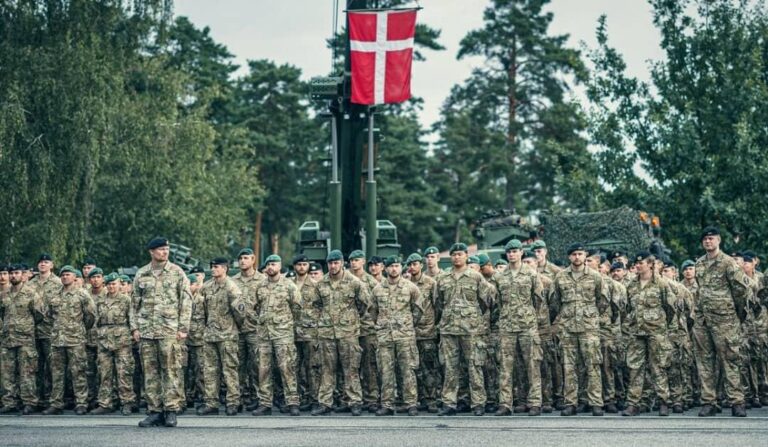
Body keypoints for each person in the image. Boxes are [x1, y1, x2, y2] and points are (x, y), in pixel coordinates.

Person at [132, 237, 192, 427]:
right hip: (147, 331)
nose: (164, 252)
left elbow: (186, 301)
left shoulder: (177, 273)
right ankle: (154, 411)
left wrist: (183, 328)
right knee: (150, 373)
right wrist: (134, 328)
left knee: (171, 370)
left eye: (166, 249)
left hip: (169, 330)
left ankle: (171, 410)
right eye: (160, 249)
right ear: (151, 252)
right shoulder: (142, 274)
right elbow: (133, 304)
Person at [693, 227, 750, 417]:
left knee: (730, 359)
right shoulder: (699, 263)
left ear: (719, 240)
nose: (708, 242)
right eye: (705, 239)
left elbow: (741, 290)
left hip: (725, 320)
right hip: (703, 319)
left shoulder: (728, 263)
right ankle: (709, 401)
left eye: (711, 239)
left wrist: (736, 313)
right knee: (705, 361)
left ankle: (737, 401)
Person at [550, 243, 608, 416]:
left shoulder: (595, 277)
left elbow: (602, 301)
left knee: (593, 365)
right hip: (568, 329)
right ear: (569, 257)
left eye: (580, 254)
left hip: (589, 329)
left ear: (585, 256)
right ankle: (571, 402)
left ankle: (596, 402)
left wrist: (590, 316)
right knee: (569, 367)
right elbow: (555, 302)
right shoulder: (560, 277)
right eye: (574, 254)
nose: (577, 257)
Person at [311, 250, 373, 416]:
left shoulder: (354, 282)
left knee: (351, 368)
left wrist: (350, 319)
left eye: (336, 262)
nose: (333, 266)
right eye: (330, 263)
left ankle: (354, 402)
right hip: (327, 334)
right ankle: (325, 403)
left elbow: (365, 303)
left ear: (342, 263)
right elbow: (316, 305)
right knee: (327, 369)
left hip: (348, 333)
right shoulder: (322, 283)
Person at [435, 243, 490, 416]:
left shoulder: (476, 277)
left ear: (466, 256)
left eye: (460, 254)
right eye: (454, 254)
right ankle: (449, 403)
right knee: (450, 368)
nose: (457, 257)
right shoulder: (443, 278)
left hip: (471, 330)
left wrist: (473, 317)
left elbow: (487, 301)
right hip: (449, 330)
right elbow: (437, 303)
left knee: (475, 366)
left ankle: (478, 403)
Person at [490, 240, 544, 416]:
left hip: (527, 326)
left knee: (531, 365)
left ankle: (534, 402)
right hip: (507, 326)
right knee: (505, 367)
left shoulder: (531, 274)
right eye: (509, 252)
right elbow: (497, 302)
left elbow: (538, 300)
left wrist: (531, 318)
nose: (512, 254)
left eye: (515, 251)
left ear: (521, 252)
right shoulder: (499, 276)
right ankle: (505, 403)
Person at [621, 251, 675, 416]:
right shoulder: (631, 285)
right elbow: (627, 308)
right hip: (636, 332)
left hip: (656, 332)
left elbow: (670, 308)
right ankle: (633, 403)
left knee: (658, 366)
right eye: (636, 263)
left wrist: (660, 325)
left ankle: (663, 401)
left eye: (641, 263)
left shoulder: (662, 284)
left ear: (650, 264)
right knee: (635, 368)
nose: (638, 266)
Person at [371, 256, 422, 416]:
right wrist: (383, 325)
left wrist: (406, 324)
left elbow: (418, 310)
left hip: (405, 336)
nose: (394, 269)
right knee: (386, 371)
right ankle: (387, 404)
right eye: (390, 266)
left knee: (408, 369)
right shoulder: (377, 289)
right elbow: (373, 311)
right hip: (385, 337)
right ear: (385, 269)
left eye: (397, 266)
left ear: (401, 267)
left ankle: (411, 403)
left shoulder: (411, 288)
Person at [250, 255, 301, 417]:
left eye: (274, 264)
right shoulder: (260, 286)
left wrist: (287, 324)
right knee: (263, 369)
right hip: (264, 335)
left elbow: (298, 308)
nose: (271, 267)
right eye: (268, 265)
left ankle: (292, 402)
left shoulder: (289, 286)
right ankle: (265, 403)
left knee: (287, 368)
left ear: (279, 266)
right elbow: (253, 307)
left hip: (283, 334)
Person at [42, 265, 96, 415]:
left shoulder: (82, 294)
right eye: (63, 275)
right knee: (57, 373)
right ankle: (56, 403)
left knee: (78, 371)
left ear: (74, 277)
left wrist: (78, 328)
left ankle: (81, 403)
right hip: (57, 339)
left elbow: (90, 316)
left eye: (68, 274)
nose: (65, 277)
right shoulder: (54, 295)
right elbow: (47, 315)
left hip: (75, 339)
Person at [196, 257, 244, 417]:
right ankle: (211, 403)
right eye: (212, 266)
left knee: (229, 369)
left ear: (225, 268)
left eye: (216, 267)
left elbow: (240, 313)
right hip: (210, 335)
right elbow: (202, 310)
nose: (212, 269)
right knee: (209, 370)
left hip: (227, 335)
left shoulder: (231, 287)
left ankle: (233, 402)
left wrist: (233, 327)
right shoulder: (207, 287)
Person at [0, 264, 44, 414]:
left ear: (22, 275)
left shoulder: (31, 293)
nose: (13, 276)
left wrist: (25, 326)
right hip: (7, 338)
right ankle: (10, 401)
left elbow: (39, 314)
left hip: (25, 339)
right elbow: (2, 313)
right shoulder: (4, 294)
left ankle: (30, 402)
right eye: (11, 273)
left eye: (16, 273)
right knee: (7, 372)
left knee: (27, 372)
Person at [90, 273, 136, 415]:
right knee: (104, 373)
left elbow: (132, 318)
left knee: (124, 372)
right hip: (104, 340)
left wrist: (134, 332)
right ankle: (105, 403)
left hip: (121, 340)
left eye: (114, 284)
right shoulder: (100, 301)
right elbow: (95, 320)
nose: (111, 286)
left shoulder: (126, 300)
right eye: (109, 284)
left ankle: (127, 402)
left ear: (119, 284)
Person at [406, 253, 441, 413]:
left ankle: (431, 399)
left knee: (429, 368)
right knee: (413, 368)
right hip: (409, 333)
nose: (412, 267)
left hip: (427, 332)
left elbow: (438, 306)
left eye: (415, 264)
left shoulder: (430, 283)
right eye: (410, 264)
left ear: (421, 265)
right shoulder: (405, 284)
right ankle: (417, 398)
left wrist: (433, 324)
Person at [230, 248, 264, 412]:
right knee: (237, 366)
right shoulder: (232, 281)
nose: (243, 261)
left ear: (253, 259)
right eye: (240, 258)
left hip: (255, 329)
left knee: (258, 365)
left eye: (246, 258)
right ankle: (239, 399)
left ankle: (259, 398)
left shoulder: (262, 280)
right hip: (235, 329)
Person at [28, 253, 60, 410]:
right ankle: (36, 399)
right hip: (32, 331)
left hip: (50, 330)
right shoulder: (30, 283)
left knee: (52, 367)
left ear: (52, 265)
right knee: (34, 366)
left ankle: (52, 399)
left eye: (46, 262)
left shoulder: (58, 283)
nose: (42, 264)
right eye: (40, 262)